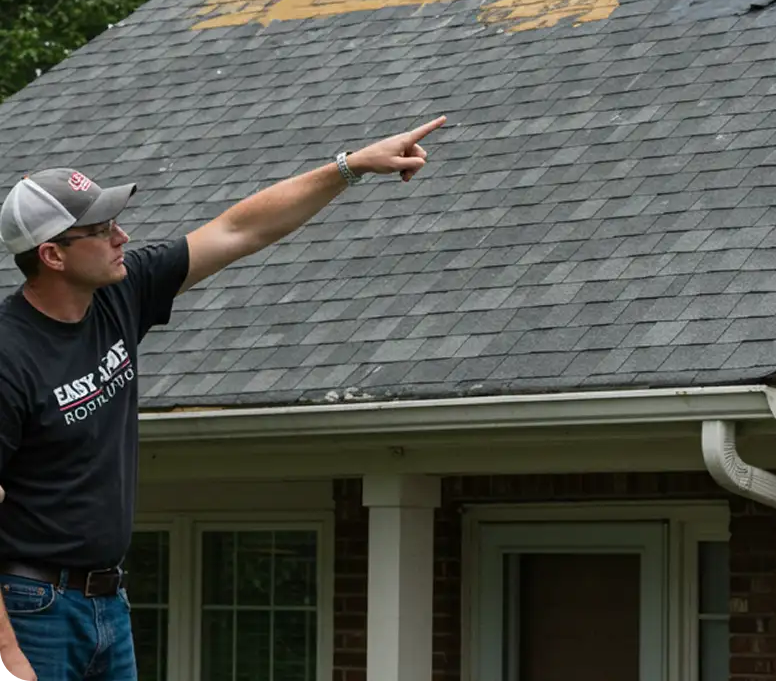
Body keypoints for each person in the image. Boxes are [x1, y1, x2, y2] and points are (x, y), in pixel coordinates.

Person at [0, 116, 446, 681]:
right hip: (32, 609)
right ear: (52, 255)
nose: (122, 237)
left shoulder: (121, 294)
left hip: (107, 602)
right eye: (102, 229)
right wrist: (8, 657)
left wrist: (351, 166)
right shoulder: (10, 356)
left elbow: (239, 230)